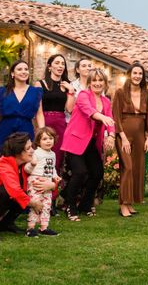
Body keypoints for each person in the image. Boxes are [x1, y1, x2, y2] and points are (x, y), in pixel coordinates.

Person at [60, 68, 115, 221]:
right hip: (75, 140)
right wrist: (103, 118)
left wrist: (111, 135)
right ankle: (70, 206)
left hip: (91, 142)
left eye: (100, 80)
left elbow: (111, 120)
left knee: (97, 173)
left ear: (104, 83)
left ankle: (85, 204)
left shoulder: (106, 101)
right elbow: (89, 111)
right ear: (90, 83)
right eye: (94, 80)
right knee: (80, 172)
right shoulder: (83, 95)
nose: (97, 83)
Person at [0, 132, 55, 240]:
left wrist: (53, 185)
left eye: (32, 146)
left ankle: (6, 224)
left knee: (24, 194)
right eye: (28, 148)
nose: (32, 150)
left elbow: (47, 175)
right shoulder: (5, 164)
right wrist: (33, 203)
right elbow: (14, 190)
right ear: (18, 152)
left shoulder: (25, 164)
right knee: (6, 192)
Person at [112, 63, 148, 217]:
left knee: (137, 169)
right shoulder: (120, 93)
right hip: (124, 135)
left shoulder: (147, 93)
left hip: (140, 135)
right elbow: (116, 116)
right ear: (129, 74)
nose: (137, 76)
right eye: (134, 73)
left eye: (140, 74)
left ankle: (129, 203)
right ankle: (123, 204)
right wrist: (123, 138)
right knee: (127, 167)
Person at [0, 60, 45, 160]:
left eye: (26, 69)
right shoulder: (2, 92)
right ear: (12, 73)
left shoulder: (36, 92)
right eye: (19, 69)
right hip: (5, 130)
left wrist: (43, 134)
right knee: (2, 160)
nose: (24, 71)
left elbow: (39, 114)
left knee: (25, 162)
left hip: (26, 130)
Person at [34, 53, 75, 173]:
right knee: (42, 156)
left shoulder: (67, 85)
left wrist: (71, 91)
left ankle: (55, 188)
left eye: (63, 64)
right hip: (45, 121)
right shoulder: (40, 84)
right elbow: (38, 111)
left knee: (57, 157)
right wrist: (42, 130)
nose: (60, 66)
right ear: (49, 66)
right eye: (57, 63)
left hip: (61, 124)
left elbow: (69, 109)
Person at [24, 127, 60, 236]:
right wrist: (32, 164)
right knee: (36, 204)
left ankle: (44, 227)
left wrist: (55, 176)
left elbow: (51, 168)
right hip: (36, 181)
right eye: (44, 139)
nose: (48, 141)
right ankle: (30, 228)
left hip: (47, 182)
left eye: (50, 138)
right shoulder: (36, 153)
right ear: (38, 142)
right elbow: (26, 169)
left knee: (46, 205)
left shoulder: (52, 154)